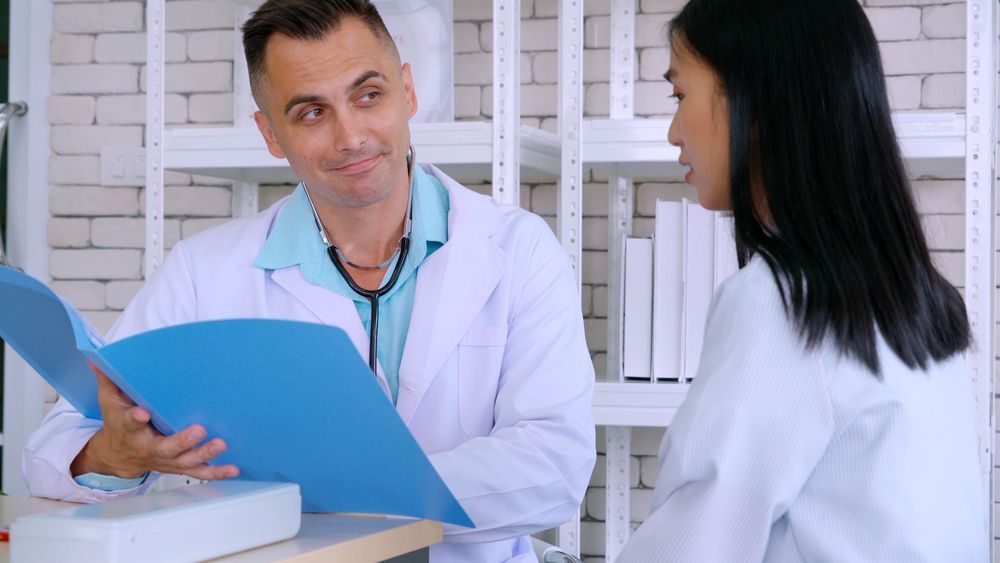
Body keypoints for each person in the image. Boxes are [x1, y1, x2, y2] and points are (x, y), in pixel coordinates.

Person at [22, 1, 596, 561]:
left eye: (368, 96)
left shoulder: (519, 251)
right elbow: (53, 449)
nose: (350, 136)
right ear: (271, 133)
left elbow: (555, 466)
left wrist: (329, 488)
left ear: (408, 92)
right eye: (311, 113)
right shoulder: (203, 271)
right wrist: (117, 453)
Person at [618, 0, 988, 561]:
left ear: (757, 102)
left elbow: (695, 547)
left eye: (680, 96)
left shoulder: (783, 300)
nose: (673, 132)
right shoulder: (917, 295)